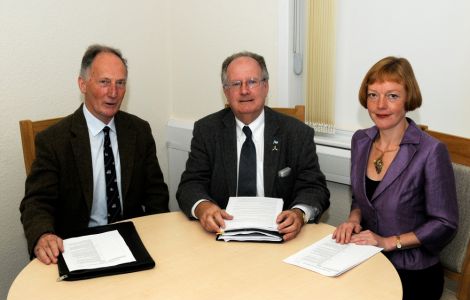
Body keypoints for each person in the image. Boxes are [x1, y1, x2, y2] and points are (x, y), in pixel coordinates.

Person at [20, 44, 169, 265]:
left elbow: (156, 193)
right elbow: (36, 202)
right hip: (79, 247)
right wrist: (43, 235)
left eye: (120, 83)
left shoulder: (139, 131)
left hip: (132, 242)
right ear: (83, 84)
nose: (113, 92)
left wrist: (159, 238)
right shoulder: (54, 141)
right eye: (104, 82)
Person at [332, 56, 458, 300]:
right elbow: (361, 197)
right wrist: (354, 219)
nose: (380, 105)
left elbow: (445, 223)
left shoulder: (431, 151)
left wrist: (389, 242)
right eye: (373, 95)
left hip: (413, 271)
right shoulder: (361, 140)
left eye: (392, 96)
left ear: (408, 99)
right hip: (368, 259)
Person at [176, 51, 330, 241]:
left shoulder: (296, 133)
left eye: (252, 82)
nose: (244, 90)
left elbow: (314, 187)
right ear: (225, 91)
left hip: (280, 236)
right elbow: (190, 184)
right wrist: (203, 207)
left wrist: (299, 213)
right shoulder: (207, 130)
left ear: (265, 86)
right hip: (222, 234)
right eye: (236, 84)